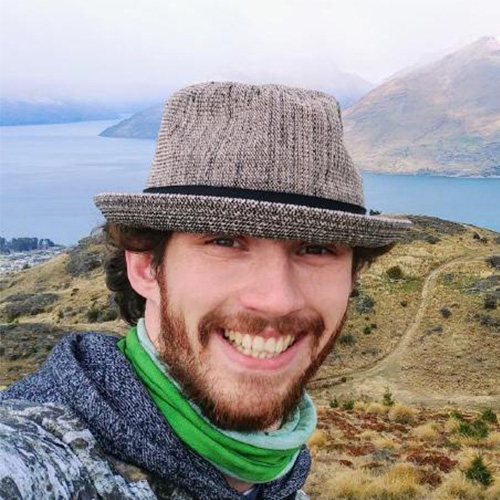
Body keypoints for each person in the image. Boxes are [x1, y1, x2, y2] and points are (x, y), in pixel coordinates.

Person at [0, 82, 411, 499]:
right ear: (146, 267)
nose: (277, 299)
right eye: (225, 241)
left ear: (350, 281)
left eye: (317, 249)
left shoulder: (284, 482)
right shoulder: (35, 457)